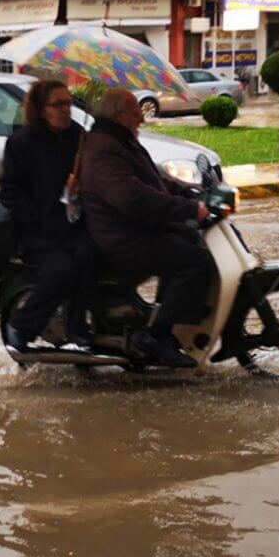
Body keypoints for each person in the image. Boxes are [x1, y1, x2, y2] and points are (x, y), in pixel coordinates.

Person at [79, 88, 214, 368]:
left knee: (190, 237)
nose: (141, 118)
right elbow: (133, 197)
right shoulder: (104, 148)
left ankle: (166, 317)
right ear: (119, 116)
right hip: (122, 237)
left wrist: (191, 192)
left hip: (135, 228)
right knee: (195, 262)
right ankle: (158, 337)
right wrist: (188, 209)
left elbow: (153, 180)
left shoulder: (121, 141)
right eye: (135, 113)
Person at [0, 80, 92, 353]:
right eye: (57, 105)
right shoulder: (21, 143)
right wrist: (40, 215)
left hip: (75, 224)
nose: (65, 110)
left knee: (92, 255)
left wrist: (81, 187)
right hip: (40, 232)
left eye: (68, 103)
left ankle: (78, 325)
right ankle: (23, 328)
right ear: (41, 110)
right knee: (62, 271)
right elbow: (9, 192)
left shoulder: (79, 136)